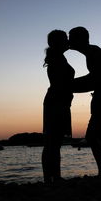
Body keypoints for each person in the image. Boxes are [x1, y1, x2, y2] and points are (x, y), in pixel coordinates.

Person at [69, 26, 101, 177]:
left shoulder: (93, 52)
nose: (69, 41)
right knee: (94, 137)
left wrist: (69, 85)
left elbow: (95, 80)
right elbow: (93, 80)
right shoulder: (91, 53)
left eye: (72, 38)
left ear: (81, 39)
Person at [42, 30, 74, 183]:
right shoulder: (57, 58)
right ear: (58, 42)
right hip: (56, 101)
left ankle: (54, 177)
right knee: (52, 142)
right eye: (65, 39)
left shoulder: (59, 57)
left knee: (55, 142)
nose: (68, 41)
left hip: (59, 101)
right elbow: (62, 83)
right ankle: (50, 179)